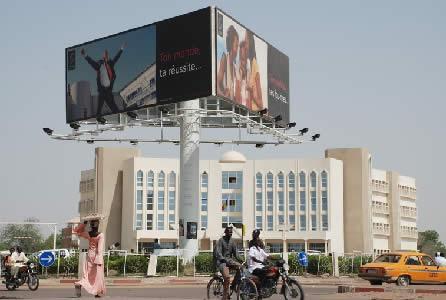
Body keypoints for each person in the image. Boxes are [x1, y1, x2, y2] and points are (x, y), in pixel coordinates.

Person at [81, 44, 125, 119]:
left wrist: (121, 49)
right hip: (102, 91)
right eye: (105, 55)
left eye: (107, 55)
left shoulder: (110, 64)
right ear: (103, 57)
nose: (107, 56)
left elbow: (116, 58)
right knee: (99, 110)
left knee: (114, 108)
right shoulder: (99, 65)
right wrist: (85, 55)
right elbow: (92, 62)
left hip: (108, 91)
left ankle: (121, 119)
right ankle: (98, 118)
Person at [73, 218, 105, 298]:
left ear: (90, 225)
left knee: (87, 274)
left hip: (89, 255)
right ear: (98, 225)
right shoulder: (100, 235)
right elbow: (100, 249)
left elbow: (77, 231)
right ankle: (96, 292)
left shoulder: (88, 234)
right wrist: (99, 260)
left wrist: (84, 223)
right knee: (97, 275)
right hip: (96, 256)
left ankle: (80, 284)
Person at [214, 226, 243, 300]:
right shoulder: (221, 240)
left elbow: (236, 254)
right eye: (229, 232)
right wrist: (223, 259)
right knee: (227, 277)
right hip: (222, 262)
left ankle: (233, 285)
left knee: (241, 267)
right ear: (225, 232)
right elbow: (218, 252)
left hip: (230, 261)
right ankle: (224, 297)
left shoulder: (232, 241)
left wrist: (242, 260)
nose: (230, 233)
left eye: (231, 232)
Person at [217, 25, 239, 101]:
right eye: (236, 46)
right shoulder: (225, 58)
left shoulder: (234, 67)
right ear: (230, 44)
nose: (237, 50)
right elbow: (216, 83)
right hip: (223, 105)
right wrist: (223, 96)